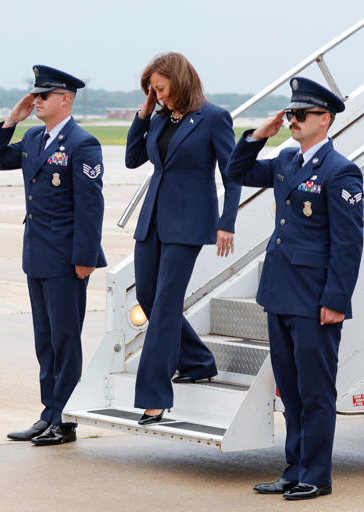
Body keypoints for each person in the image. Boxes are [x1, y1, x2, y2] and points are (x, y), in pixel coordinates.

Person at [225, 76, 364, 500]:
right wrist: (256, 136)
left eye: (300, 115)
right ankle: (294, 468)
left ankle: (317, 474)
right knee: (289, 386)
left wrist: (336, 300)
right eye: (290, 113)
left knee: (316, 390)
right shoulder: (286, 160)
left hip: (314, 298)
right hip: (280, 291)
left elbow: (347, 244)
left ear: (325, 119)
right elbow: (237, 171)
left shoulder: (341, 172)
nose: (292, 120)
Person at [0, 65, 106, 446]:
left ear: (65, 99)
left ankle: (64, 420)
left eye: (43, 95)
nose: (36, 100)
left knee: (66, 339)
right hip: (36, 253)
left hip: (67, 258)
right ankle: (48, 411)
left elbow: (91, 206)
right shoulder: (35, 138)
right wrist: (11, 120)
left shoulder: (84, 143)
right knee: (44, 339)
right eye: (34, 95)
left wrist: (85, 257)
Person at [125, 52, 241, 425]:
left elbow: (233, 172)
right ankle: (198, 361)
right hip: (153, 219)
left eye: (160, 87)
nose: (157, 95)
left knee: (166, 303)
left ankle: (155, 397)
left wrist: (227, 222)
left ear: (179, 80)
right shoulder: (157, 117)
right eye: (151, 91)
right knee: (147, 297)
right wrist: (143, 115)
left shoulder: (213, 118)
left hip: (188, 223)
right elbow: (132, 159)